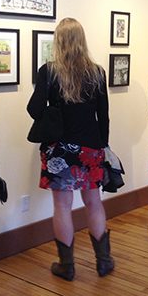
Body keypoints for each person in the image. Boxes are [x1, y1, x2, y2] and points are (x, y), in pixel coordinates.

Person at [27, 17, 114, 280]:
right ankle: (103, 261)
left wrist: (54, 110)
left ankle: (67, 266)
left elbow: (33, 109)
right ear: (82, 40)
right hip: (91, 146)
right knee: (94, 203)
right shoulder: (97, 72)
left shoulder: (49, 72)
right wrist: (103, 146)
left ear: (59, 41)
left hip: (60, 149)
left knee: (62, 207)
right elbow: (104, 115)